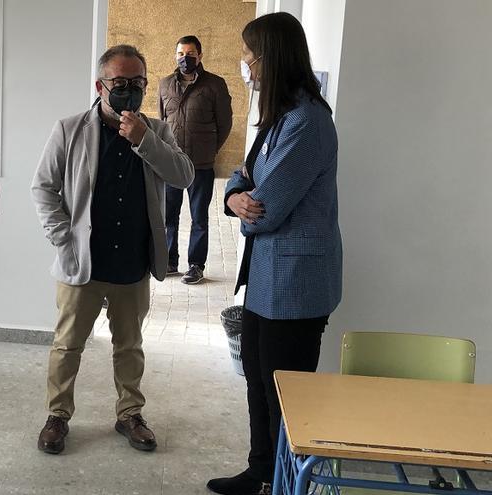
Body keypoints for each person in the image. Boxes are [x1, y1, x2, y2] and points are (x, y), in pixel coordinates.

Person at [31, 44, 194, 455]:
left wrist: (143, 140)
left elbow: (183, 176)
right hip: (83, 260)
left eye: (138, 83)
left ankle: (130, 414)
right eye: (121, 83)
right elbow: (43, 188)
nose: (130, 91)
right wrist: (62, 239)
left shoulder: (156, 131)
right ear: (100, 85)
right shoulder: (69, 129)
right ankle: (57, 416)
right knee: (68, 344)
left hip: (133, 260)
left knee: (130, 345)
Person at [206, 12, 342, 495]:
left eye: (250, 53)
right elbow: (242, 177)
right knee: (257, 383)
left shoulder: (307, 122)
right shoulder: (278, 115)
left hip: (296, 286)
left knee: (284, 393)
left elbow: (267, 209)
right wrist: (232, 196)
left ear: (273, 58)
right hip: (267, 279)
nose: (245, 62)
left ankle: (285, 482)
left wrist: (244, 199)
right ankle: (260, 471)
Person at [159, 35, 232, 284]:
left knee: (199, 216)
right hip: (171, 163)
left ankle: (195, 265)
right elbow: (162, 122)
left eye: (190, 54)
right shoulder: (165, 84)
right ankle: (169, 260)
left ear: (200, 56)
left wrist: (209, 150)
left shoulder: (215, 85)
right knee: (169, 215)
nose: (184, 58)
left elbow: (224, 124)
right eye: (180, 53)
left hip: (200, 165)